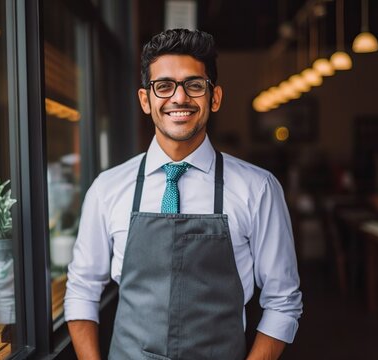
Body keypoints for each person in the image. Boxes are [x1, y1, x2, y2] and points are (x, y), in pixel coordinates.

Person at [64, 29, 302, 360]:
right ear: (145, 100)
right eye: (163, 86)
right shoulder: (108, 188)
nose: (179, 98)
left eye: (194, 85)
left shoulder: (258, 188)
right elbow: (81, 289)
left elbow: (283, 300)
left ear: (214, 97)